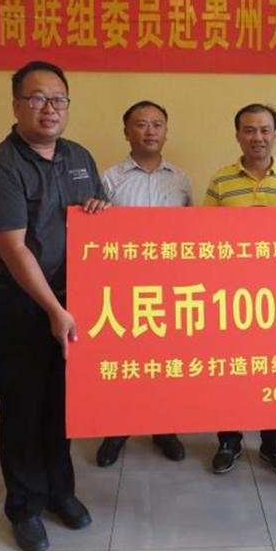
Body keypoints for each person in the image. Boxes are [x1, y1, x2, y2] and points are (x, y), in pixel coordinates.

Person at [0, 60, 109, 551]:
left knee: (64, 405)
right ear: (16, 106)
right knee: (24, 408)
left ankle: (59, 492)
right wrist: (54, 310)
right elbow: (15, 250)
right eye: (36, 98)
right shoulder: (1, 167)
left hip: (78, 302)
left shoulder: (79, 156)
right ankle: (25, 506)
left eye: (58, 99)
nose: (48, 108)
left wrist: (99, 211)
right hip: (25, 307)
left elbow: (97, 217)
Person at [204, 103, 276, 476]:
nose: (257, 137)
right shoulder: (220, 182)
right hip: (230, 297)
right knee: (229, 372)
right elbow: (203, 240)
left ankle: (273, 442)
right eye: (249, 130)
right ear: (238, 135)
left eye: (264, 130)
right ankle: (229, 441)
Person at [95, 100, 193, 467]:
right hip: (123, 288)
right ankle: (116, 431)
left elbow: (192, 232)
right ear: (126, 132)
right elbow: (96, 234)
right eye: (141, 124)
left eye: (157, 124)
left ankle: (164, 428)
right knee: (123, 364)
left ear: (167, 132)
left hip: (171, 287)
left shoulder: (181, 179)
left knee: (165, 363)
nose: (150, 131)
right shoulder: (108, 179)